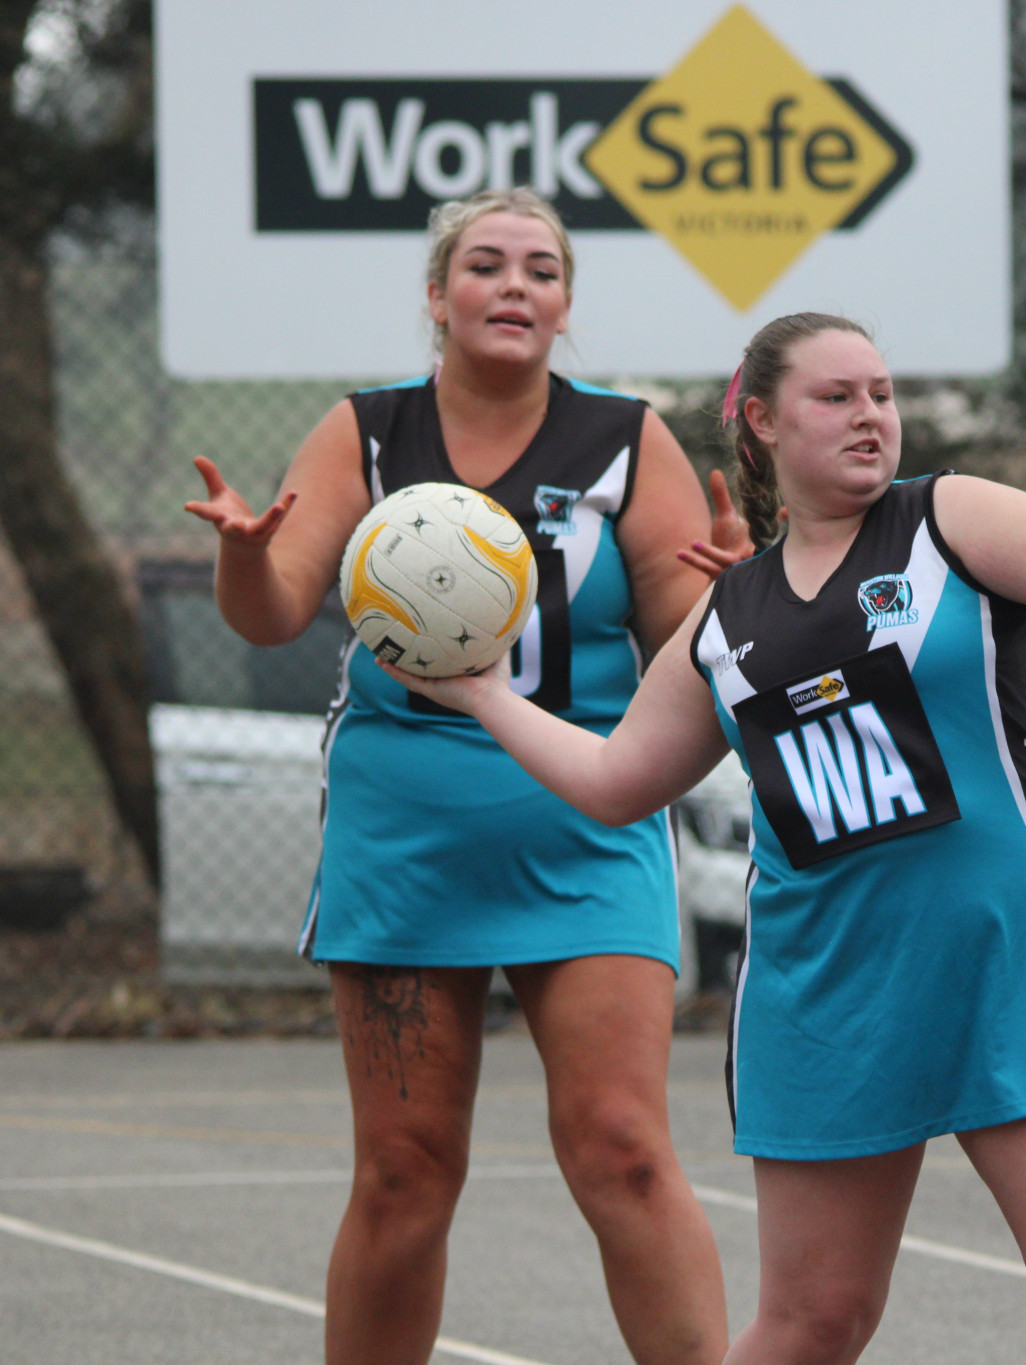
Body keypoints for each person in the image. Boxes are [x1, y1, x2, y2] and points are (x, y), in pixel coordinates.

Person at [379, 311, 1026, 1365]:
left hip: (1008, 958)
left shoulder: (951, 522)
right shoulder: (726, 618)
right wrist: (482, 696)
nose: (870, 414)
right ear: (764, 421)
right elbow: (614, 782)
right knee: (813, 1322)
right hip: (824, 989)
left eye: (881, 393)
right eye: (837, 397)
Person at [183, 187, 745, 1365]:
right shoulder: (368, 433)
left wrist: (736, 593)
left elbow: (687, 631)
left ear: (565, 305)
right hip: (408, 826)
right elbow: (277, 609)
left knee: (624, 1152)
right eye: (485, 267)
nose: (515, 288)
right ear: (437, 298)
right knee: (402, 1172)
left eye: (541, 271)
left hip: (585, 818)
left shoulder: (627, 440)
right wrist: (243, 558)